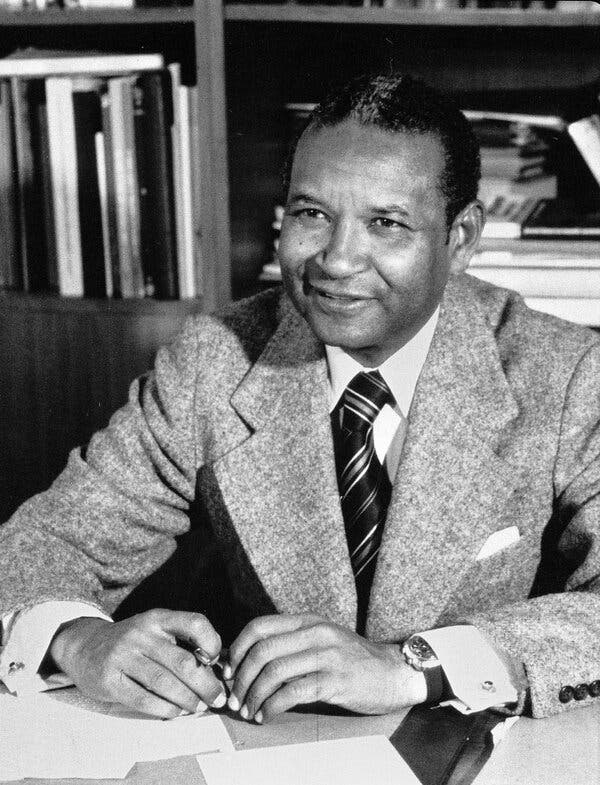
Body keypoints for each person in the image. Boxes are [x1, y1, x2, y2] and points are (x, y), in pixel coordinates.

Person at [2, 72, 600, 725]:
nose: (338, 260)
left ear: (460, 238)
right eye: (312, 213)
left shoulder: (564, 374)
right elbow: (46, 541)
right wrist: (76, 637)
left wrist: (414, 665)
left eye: (386, 223)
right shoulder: (213, 362)